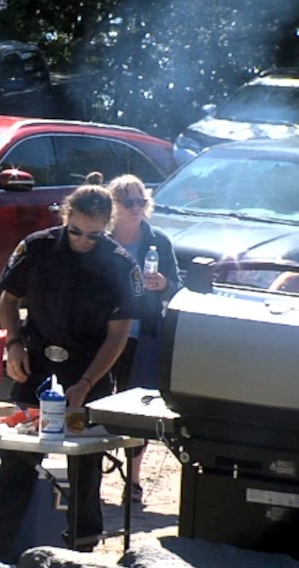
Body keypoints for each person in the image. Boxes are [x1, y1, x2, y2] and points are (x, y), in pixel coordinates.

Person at [0, 180, 143, 563]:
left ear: (108, 227)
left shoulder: (119, 263)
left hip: (89, 372)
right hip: (34, 365)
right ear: (65, 217)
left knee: (85, 471)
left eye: (94, 234)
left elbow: (119, 335)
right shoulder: (37, 247)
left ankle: (82, 556)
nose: (84, 240)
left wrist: (87, 383)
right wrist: (12, 345)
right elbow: (8, 300)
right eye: (76, 231)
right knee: (16, 464)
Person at [108, 174, 181, 503]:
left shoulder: (158, 241)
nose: (136, 207)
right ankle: (88, 475)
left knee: (136, 411)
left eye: (141, 201)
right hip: (101, 335)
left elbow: (178, 288)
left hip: (142, 335)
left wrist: (163, 284)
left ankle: (133, 482)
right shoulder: (102, 238)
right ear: (114, 206)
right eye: (128, 202)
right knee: (93, 401)